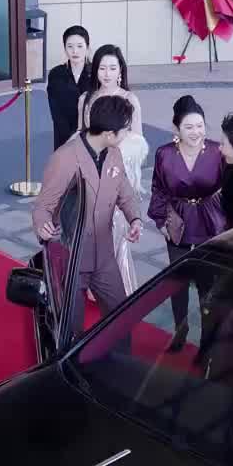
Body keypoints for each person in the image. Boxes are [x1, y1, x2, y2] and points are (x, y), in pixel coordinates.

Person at [32, 93, 141, 328]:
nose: (128, 134)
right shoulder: (65, 158)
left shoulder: (114, 154)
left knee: (121, 317)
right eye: (125, 129)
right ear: (109, 134)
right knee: (71, 327)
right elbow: (44, 205)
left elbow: (125, 191)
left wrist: (135, 219)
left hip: (104, 255)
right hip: (73, 256)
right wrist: (43, 225)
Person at [148, 96, 225, 349]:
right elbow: (158, 188)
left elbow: (230, 187)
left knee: (207, 283)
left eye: (200, 126)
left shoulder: (217, 151)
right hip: (177, 220)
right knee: (177, 280)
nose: (196, 132)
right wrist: (160, 219)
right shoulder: (164, 154)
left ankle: (207, 339)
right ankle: (180, 330)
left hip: (209, 221)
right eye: (189, 127)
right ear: (177, 129)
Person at [78, 44, 148, 295]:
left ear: (120, 71)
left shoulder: (130, 100)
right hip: (91, 174)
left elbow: (138, 142)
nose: (106, 73)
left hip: (118, 175)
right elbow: (80, 135)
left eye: (112, 68)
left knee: (116, 232)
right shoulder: (86, 99)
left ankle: (120, 288)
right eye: (102, 68)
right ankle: (93, 286)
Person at [46, 24, 93, 150]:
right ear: (65, 48)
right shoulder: (56, 74)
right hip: (63, 134)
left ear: (87, 48)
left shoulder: (96, 73)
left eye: (80, 46)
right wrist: (70, 136)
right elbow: (55, 109)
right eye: (70, 46)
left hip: (91, 134)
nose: (75, 51)